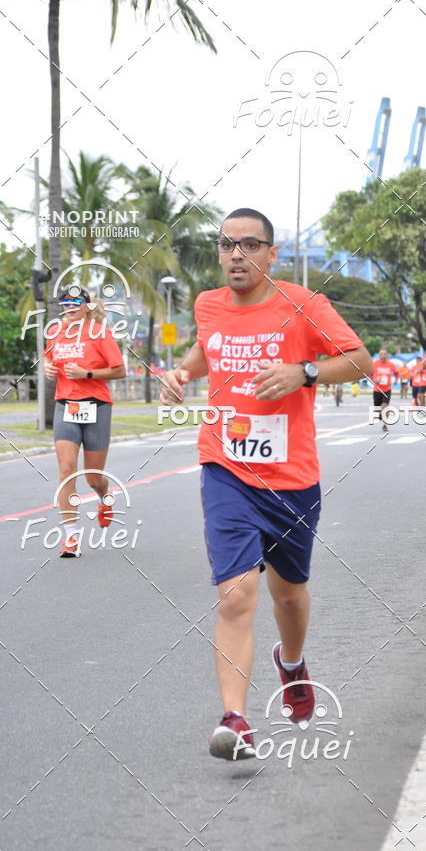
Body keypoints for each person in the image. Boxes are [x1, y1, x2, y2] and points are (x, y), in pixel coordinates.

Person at [159, 208, 372, 761]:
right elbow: (210, 348)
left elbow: (359, 359)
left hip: (292, 478)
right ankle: (236, 720)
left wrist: (303, 373)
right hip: (225, 465)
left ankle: (293, 663)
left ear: (271, 254)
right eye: (228, 244)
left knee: (290, 595)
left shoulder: (303, 305)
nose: (237, 254)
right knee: (236, 595)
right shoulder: (208, 304)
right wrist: (182, 374)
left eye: (250, 245)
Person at [43, 286, 126, 558]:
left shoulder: (100, 333)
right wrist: (47, 368)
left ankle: (105, 497)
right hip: (65, 406)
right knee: (67, 470)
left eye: (76, 301)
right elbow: (49, 360)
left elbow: (120, 370)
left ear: (87, 306)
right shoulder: (55, 333)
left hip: (96, 407)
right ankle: (71, 537)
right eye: (64, 301)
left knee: (93, 478)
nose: (69, 305)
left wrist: (86, 373)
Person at [371, 349, 400, 433]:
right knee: (377, 409)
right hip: (377, 389)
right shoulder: (375, 364)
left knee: (385, 406)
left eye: (384, 354)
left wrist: (395, 380)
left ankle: (385, 424)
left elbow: (397, 373)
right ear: (379, 355)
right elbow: (370, 374)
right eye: (381, 354)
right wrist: (374, 380)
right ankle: (380, 415)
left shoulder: (391, 364)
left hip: (387, 389)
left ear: (387, 355)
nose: (383, 355)